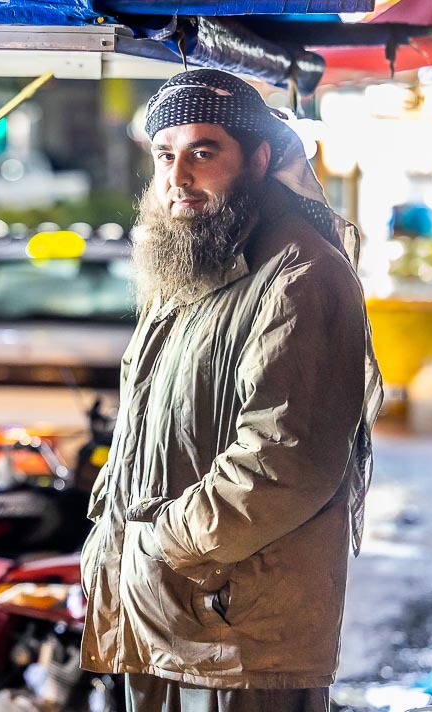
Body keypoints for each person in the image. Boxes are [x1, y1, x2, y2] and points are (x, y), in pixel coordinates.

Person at [79, 69, 383, 712]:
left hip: (238, 643)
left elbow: (282, 462)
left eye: (203, 152)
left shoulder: (300, 275)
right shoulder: (196, 265)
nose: (178, 177)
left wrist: (163, 542)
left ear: (261, 158)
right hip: (169, 624)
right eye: (166, 154)